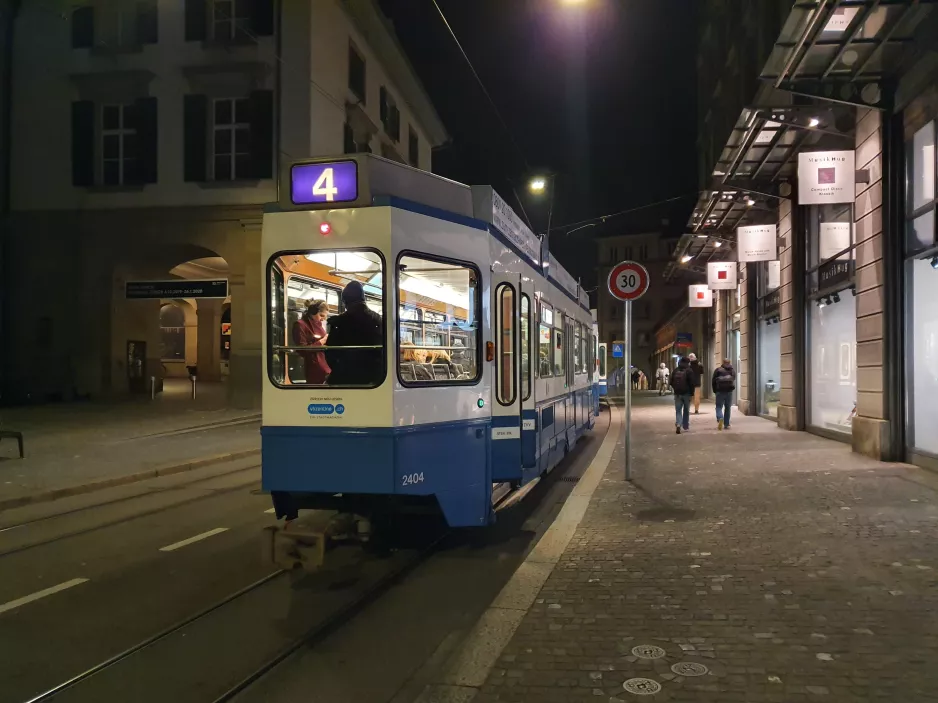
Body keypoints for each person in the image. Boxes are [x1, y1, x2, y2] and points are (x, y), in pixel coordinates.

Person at [325, 281, 383, 386]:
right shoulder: (378, 319)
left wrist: (340, 369)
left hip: (344, 375)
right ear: (363, 299)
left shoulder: (339, 322)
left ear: (345, 301)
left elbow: (330, 352)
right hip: (374, 377)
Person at [292, 299, 331, 384]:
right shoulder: (300, 325)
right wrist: (322, 341)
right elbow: (301, 349)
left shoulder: (318, 324)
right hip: (313, 367)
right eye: (321, 315)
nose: (323, 319)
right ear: (313, 312)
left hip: (324, 364)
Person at [671, 356, 697, 434]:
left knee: (678, 410)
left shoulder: (675, 370)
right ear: (688, 362)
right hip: (687, 393)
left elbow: (671, 382)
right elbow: (692, 383)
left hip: (678, 394)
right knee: (686, 410)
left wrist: (676, 389)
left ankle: (678, 424)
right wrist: (692, 393)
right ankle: (685, 425)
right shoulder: (689, 370)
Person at [711, 357, 736, 430]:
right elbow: (733, 379)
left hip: (720, 391)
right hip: (729, 392)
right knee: (727, 408)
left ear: (723, 362)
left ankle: (720, 418)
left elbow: (713, 381)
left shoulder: (718, 370)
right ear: (729, 362)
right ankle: (726, 424)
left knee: (718, 407)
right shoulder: (732, 370)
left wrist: (715, 391)